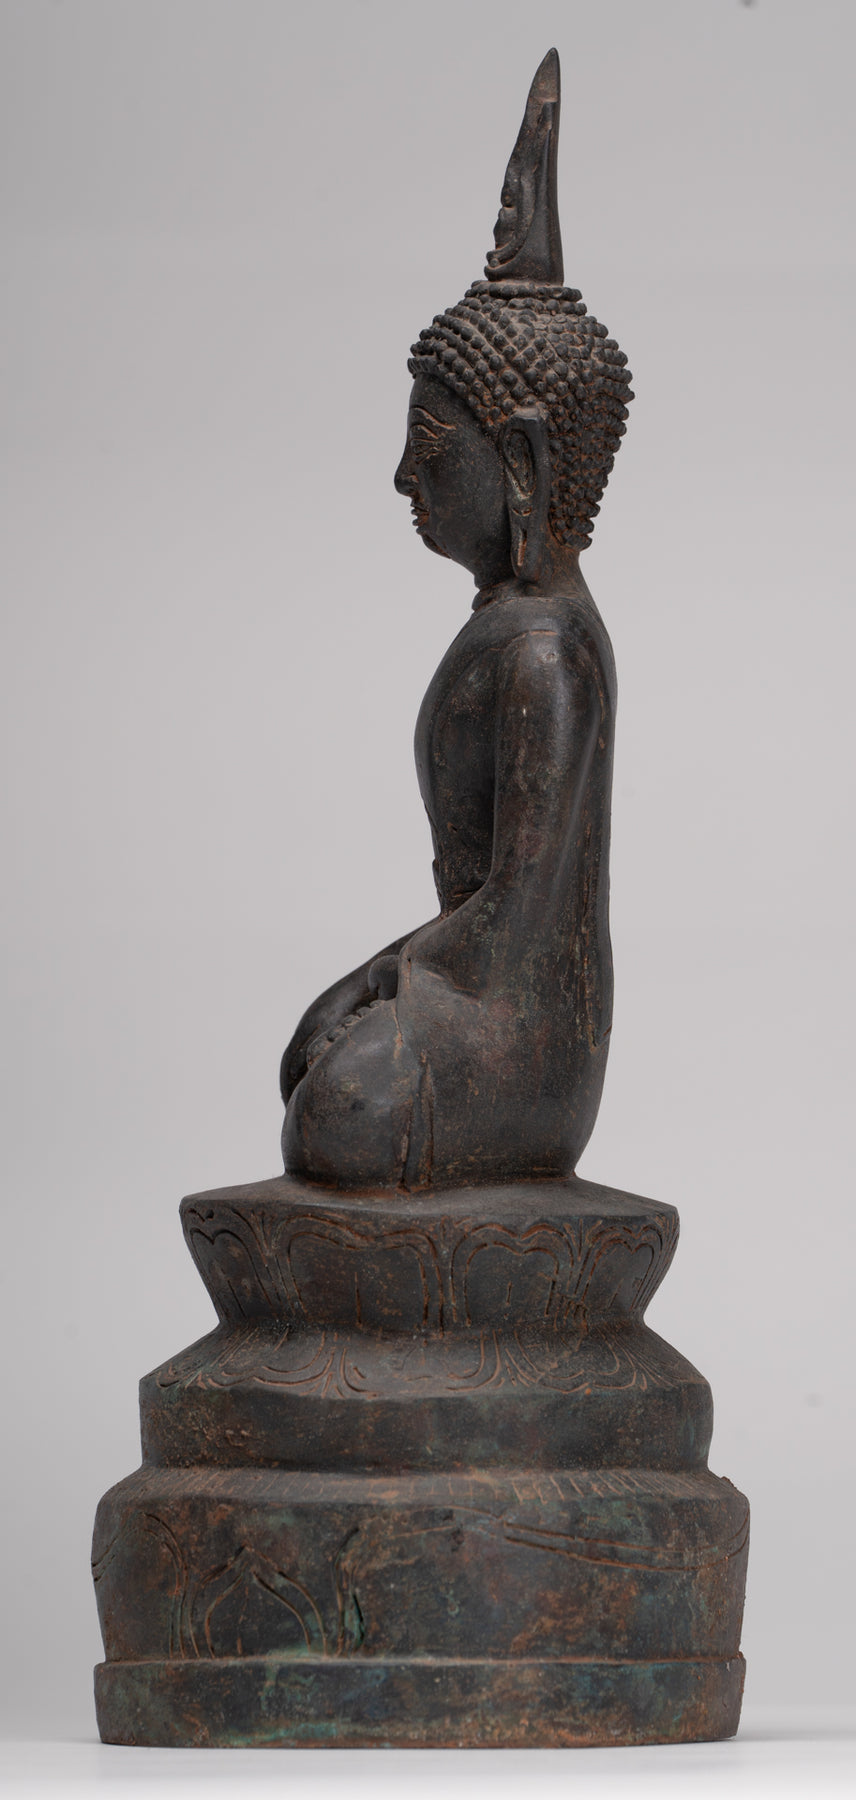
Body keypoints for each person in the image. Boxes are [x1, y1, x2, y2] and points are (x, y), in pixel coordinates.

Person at [281, 50, 633, 1191]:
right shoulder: (515, 627)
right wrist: (382, 983)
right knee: (315, 1083)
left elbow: (519, 914)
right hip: (464, 998)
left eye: (430, 451)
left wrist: (377, 978)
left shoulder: (547, 652)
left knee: (335, 1115)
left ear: (521, 461)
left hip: (520, 1036)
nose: (403, 477)